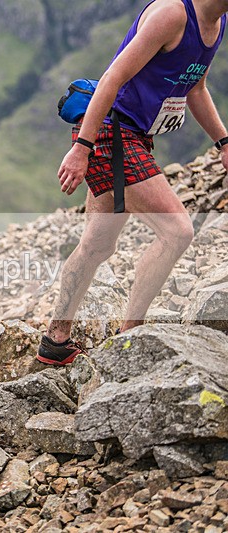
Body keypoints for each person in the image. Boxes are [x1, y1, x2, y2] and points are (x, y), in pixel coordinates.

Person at [39, 0, 228, 366]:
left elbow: (196, 89)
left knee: (97, 245)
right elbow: (113, 77)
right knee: (178, 231)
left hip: (133, 135)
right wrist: (82, 148)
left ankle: (54, 340)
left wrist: (223, 142)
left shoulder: (216, 24)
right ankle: (130, 337)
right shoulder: (173, 14)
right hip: (111, 131)